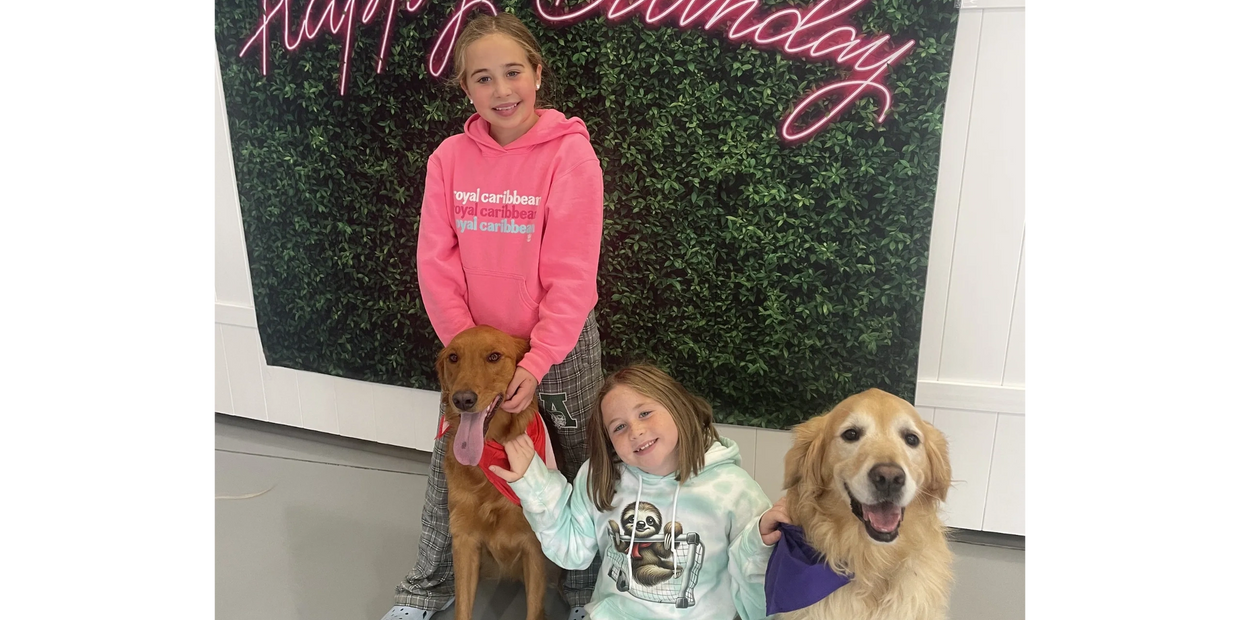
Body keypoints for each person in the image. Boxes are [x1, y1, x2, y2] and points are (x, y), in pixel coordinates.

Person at [382, 11, 605, 620]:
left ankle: (586, 592)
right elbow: (436, 262)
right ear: (465, 88)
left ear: (537, 73)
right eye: (482, 78)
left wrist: (534, 361)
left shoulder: (572, 158)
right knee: (453, 462)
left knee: (579, 463)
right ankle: (422, 593)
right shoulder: (449, 159)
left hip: (557, 346)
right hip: (477, 351)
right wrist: (468, 352)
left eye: (513, 72)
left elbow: (573, 273)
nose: (501, 90)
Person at [489, 363, 790, 620]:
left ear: (677, 406)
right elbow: (572, 552)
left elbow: (758, 602)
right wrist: (534, 482)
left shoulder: (735, 491)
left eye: (645, 413)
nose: (635, 431)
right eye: (618, 427)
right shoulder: (601, 477)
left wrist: (758, 543)